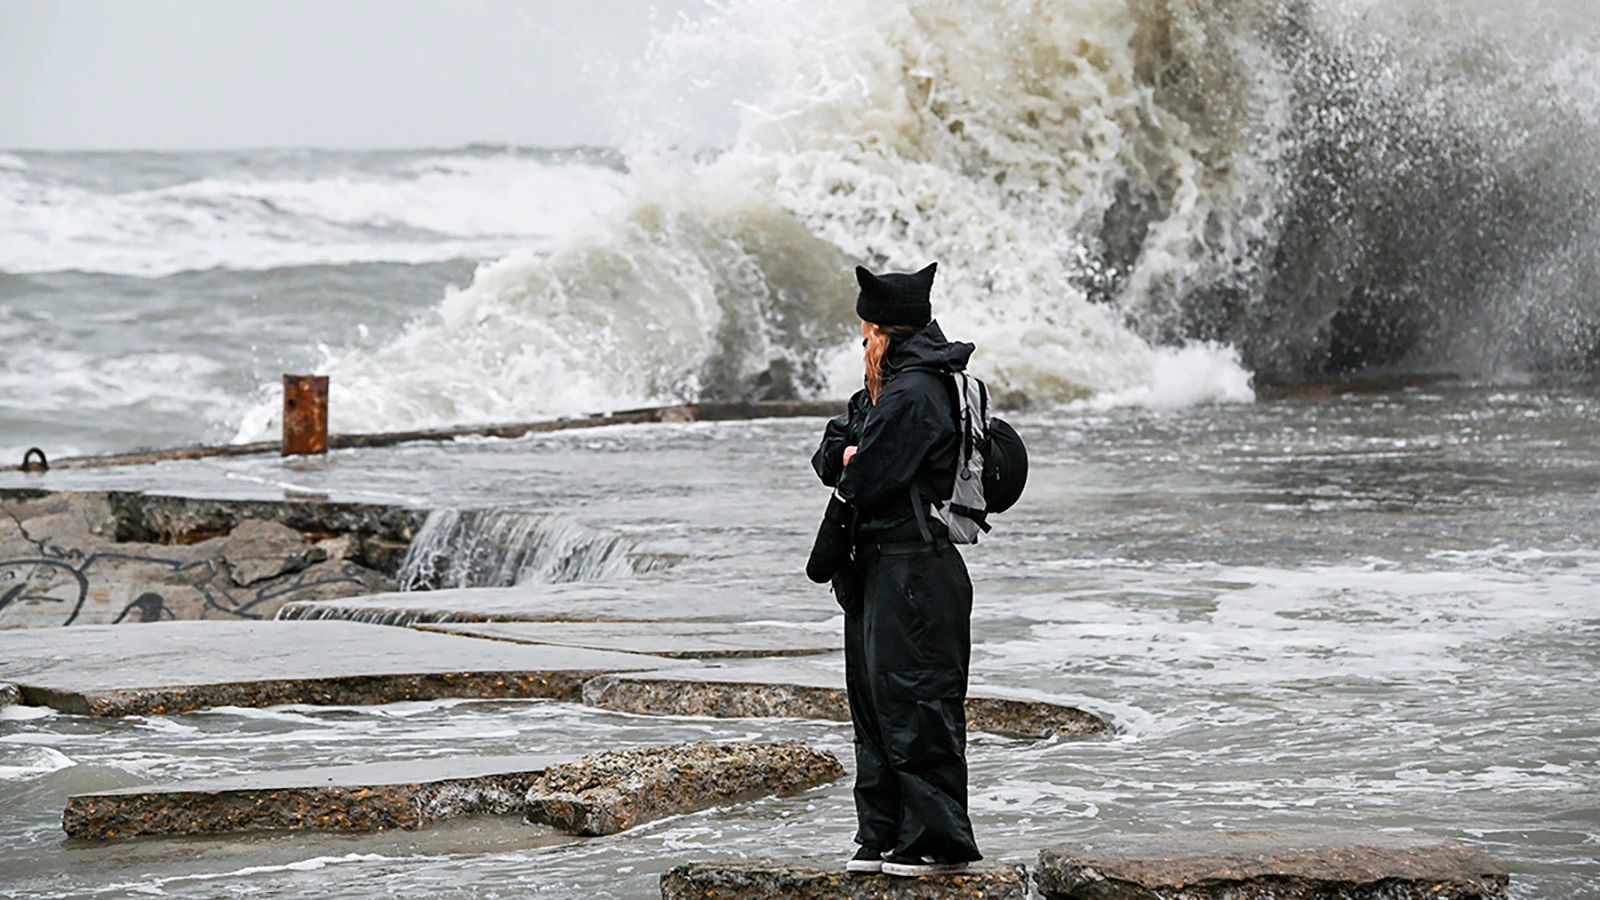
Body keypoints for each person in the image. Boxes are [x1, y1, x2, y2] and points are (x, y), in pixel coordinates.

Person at [810, 262, 983, 878]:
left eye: (864, 334)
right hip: (883, 571)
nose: (862, 344)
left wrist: (853, 458)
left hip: (917, 570)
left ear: (881, 330)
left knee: (917, 705)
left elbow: (865, 476)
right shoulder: (893, 386)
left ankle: (935, 842)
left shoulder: (913, 393)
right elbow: (830, 449)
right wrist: (849, 453)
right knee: (875, 704)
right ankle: (881, 835)